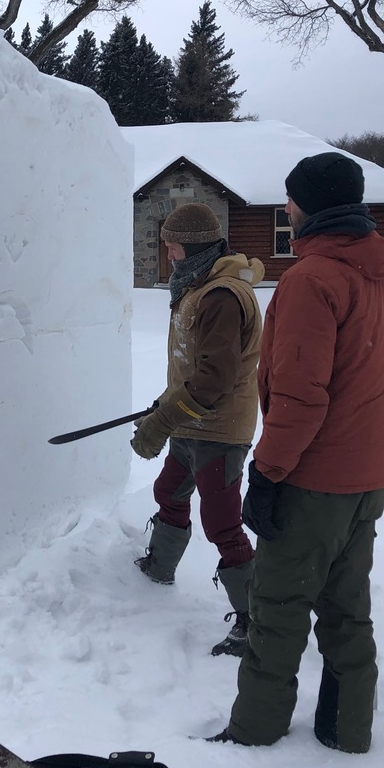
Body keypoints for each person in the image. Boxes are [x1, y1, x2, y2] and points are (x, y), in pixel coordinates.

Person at [212, 151, 384, 753]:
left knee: (279, 609)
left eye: (291, 199)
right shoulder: (379, 274)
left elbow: (299, 397)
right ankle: (348, 732)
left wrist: (266, 475)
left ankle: (254, 731)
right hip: (367, 475)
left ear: (311, 206)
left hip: (313, 479)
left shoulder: (310, 279)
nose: (286, 209)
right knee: (347, 610)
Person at [132, 203, 264, 656]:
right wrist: (165, 408)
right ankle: (160, 567)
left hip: (219, 428)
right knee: (169, 490)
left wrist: (160, 422)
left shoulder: (221, 297)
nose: (169, 254)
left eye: (172, 246)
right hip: (192, 419)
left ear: (191, 246)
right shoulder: (198, 285)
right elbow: (195, 368)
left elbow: (215, 378)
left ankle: (253, 622)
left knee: (222, 523)